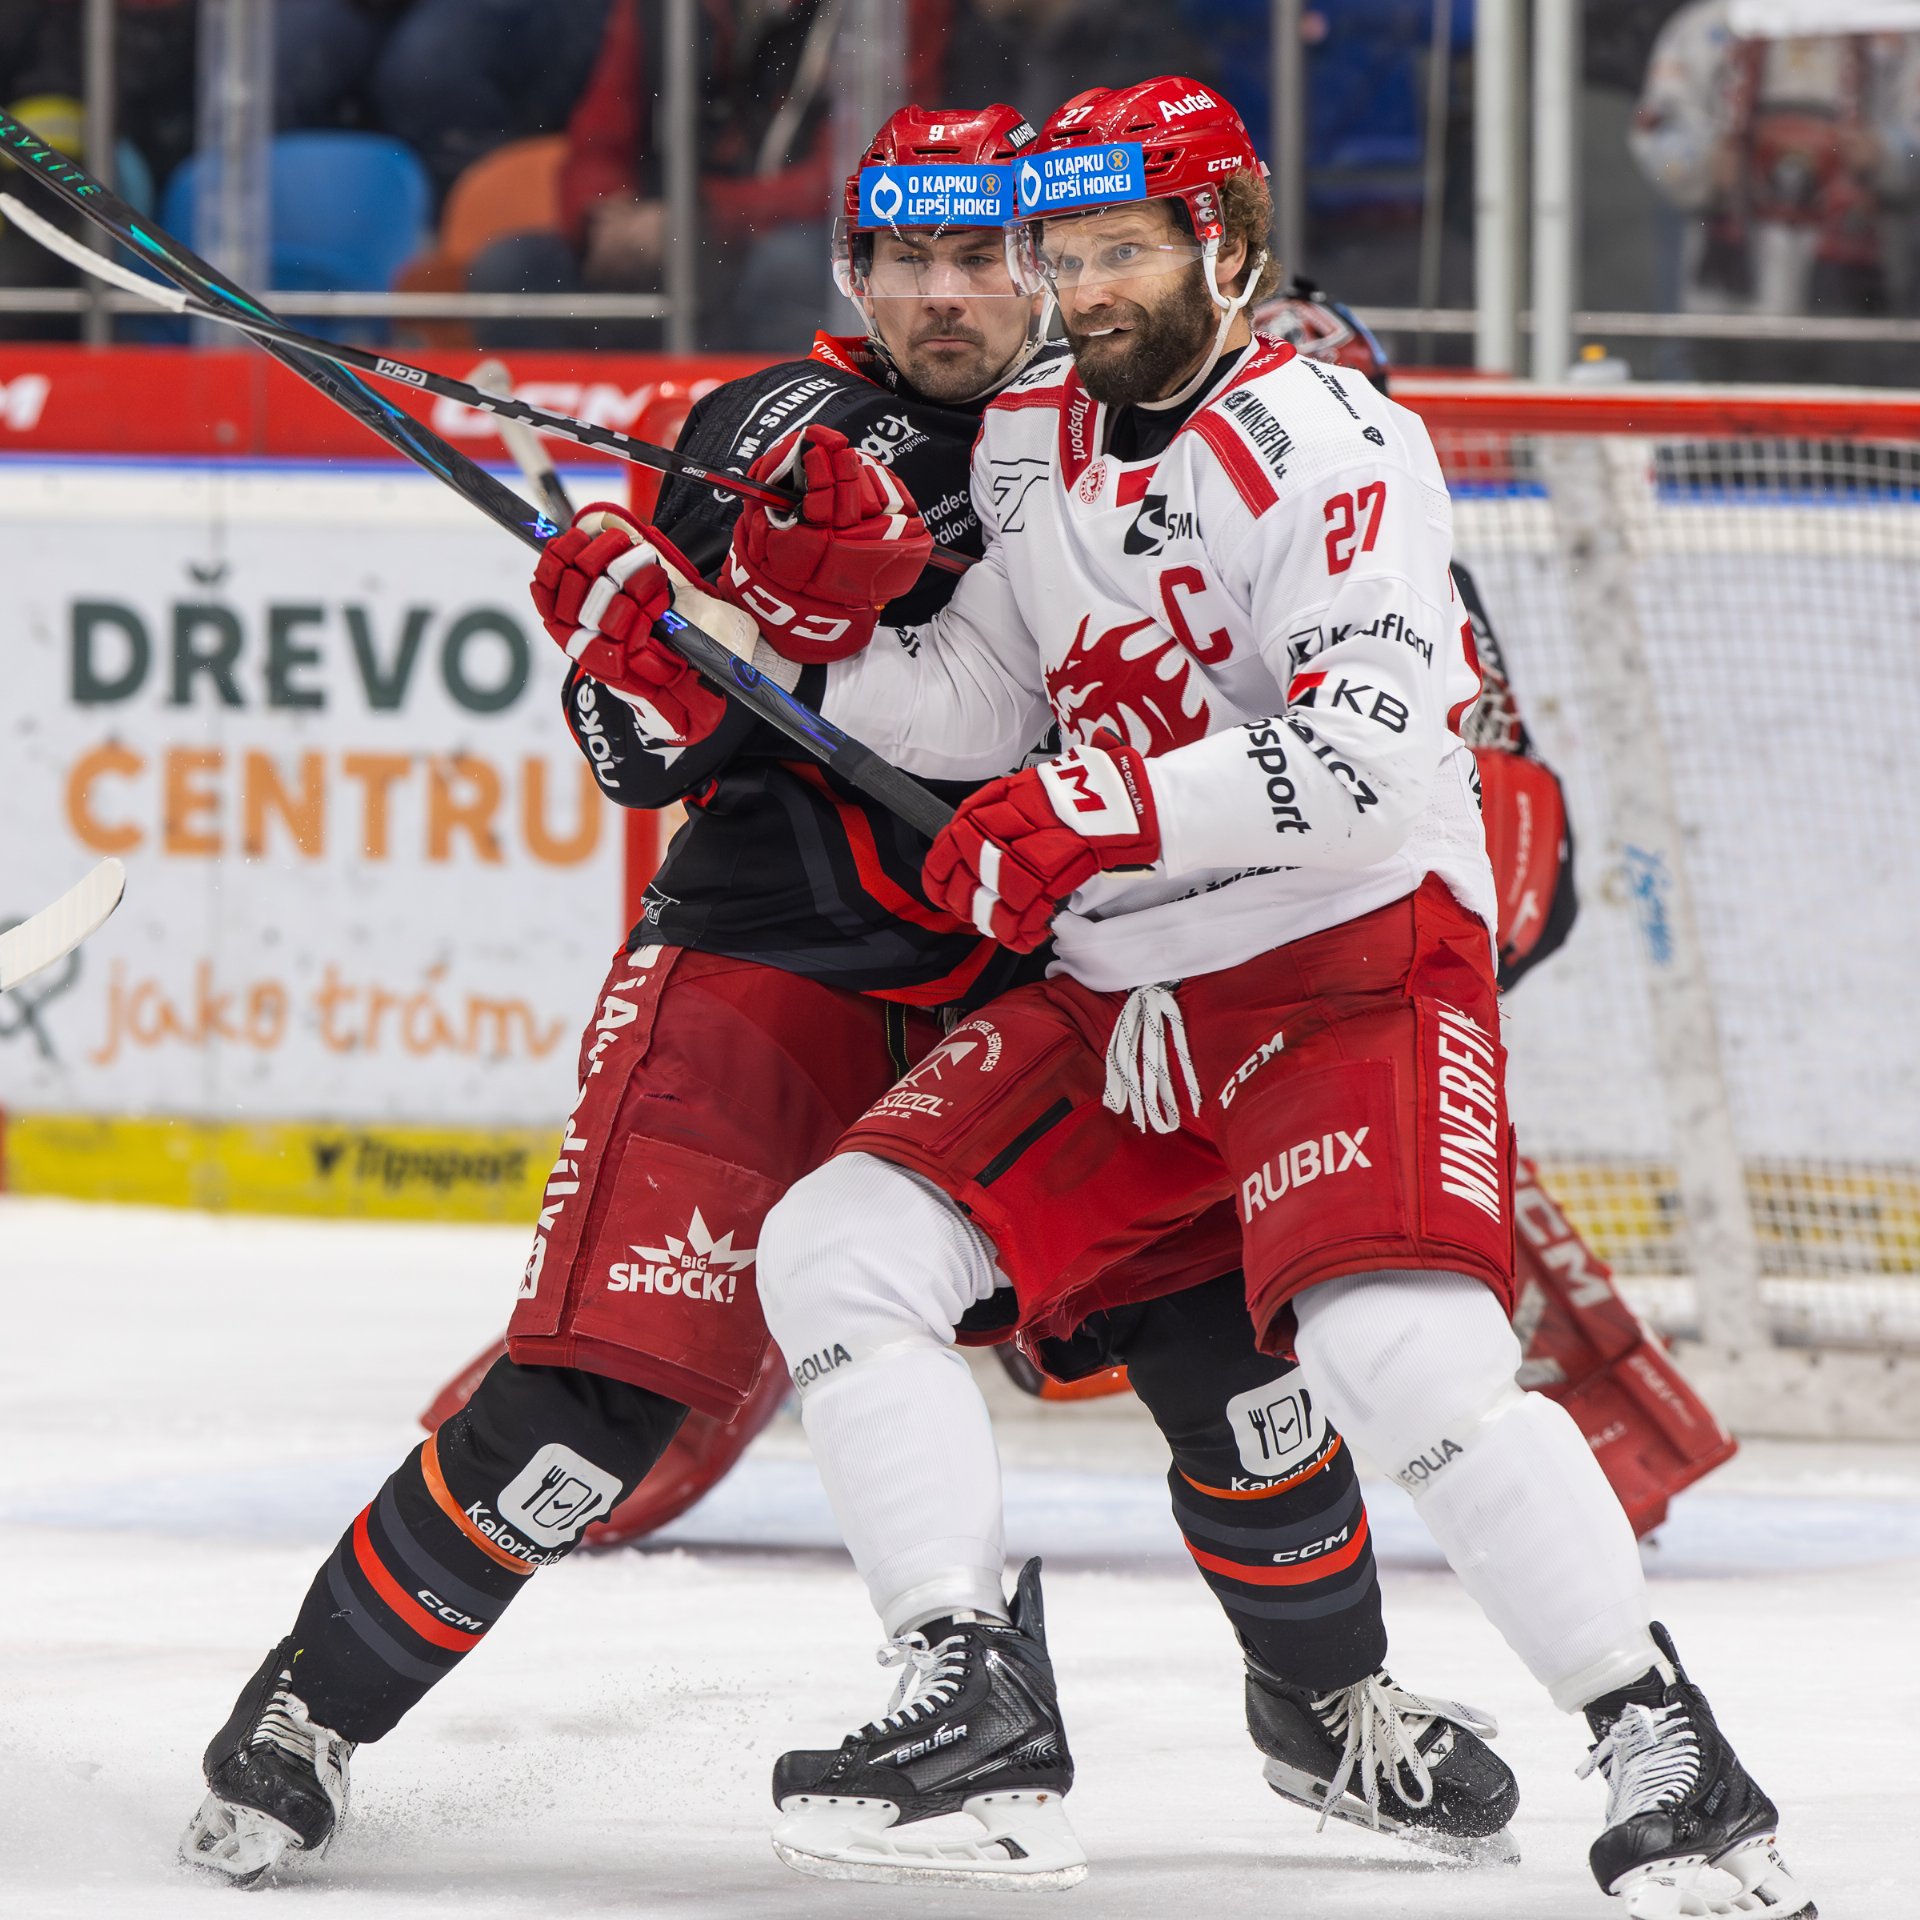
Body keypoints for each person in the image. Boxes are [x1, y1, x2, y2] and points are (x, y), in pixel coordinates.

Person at [176, 100, 1512, 1889]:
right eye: (909, 261)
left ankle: (1330, 1708)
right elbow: (639, 752)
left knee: (1229, 1353)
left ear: (1044, 261)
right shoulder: (756, 431)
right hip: (774, 965)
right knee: (596, 1397)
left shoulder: (1120, 429)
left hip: (1053, 975)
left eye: (985, 258)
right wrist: (666, 645)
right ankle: (309, 1708)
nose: (948, 297)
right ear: (853, 274)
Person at [589, 76, 1811, 1912]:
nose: (1079, 288)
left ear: (1223, 244)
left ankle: (1668, 1751)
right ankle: (971, 1701)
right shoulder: (1029, 442)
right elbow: (985, 703)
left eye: (1119, 249)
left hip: (1345, 971)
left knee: (1404, 1358)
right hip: (1130, 998)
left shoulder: (1336, 442)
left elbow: (1379, 756)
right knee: (840, 1247)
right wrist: (744, 655)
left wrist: (1094, 810)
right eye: (1057, 251)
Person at [1630, 3, 1920, 379]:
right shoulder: (1710, 27)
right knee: (1724, 403)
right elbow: (1658, 125)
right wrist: (1709, 162)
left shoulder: (1893, 24)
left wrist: (1883, 153)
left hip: (1857, 304)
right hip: (1729, 302)